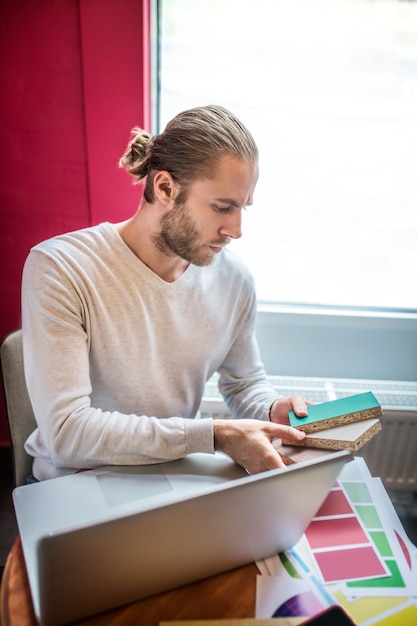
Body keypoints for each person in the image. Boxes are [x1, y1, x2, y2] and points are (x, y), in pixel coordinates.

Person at [21, 104, 308, 482]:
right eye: (223, 207)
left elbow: (244, 382)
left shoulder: (235, 279)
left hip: (172, 477)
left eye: (242, 208)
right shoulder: (61, 268)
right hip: (77, 483)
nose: (236, 229)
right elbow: (67, 434)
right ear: (164, 187)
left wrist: (272, 409)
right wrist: (215, 436)